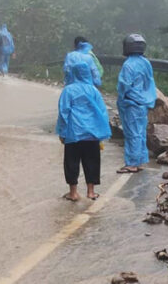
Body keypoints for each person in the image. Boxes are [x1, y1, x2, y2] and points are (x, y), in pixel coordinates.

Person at [56, 61, 111, 201]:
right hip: (92, 134)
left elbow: (63, 113)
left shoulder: (68, 90)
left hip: (73, 133)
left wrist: (62, 133)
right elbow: (102, 112)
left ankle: (73, 193)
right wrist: (102, 132)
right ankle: (91, 192)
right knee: (92, 161)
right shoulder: (94, 91)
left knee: (71, 162)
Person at [116, 33, 157, 174]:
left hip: (131, 103)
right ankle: (140, 161)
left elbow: (124, 85)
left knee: (132, 133)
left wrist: (121, 97)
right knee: (140, 133)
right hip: (143, 102)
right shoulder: (145, 62)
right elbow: (149, 82)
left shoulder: (128, 65)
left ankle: (132, 164)